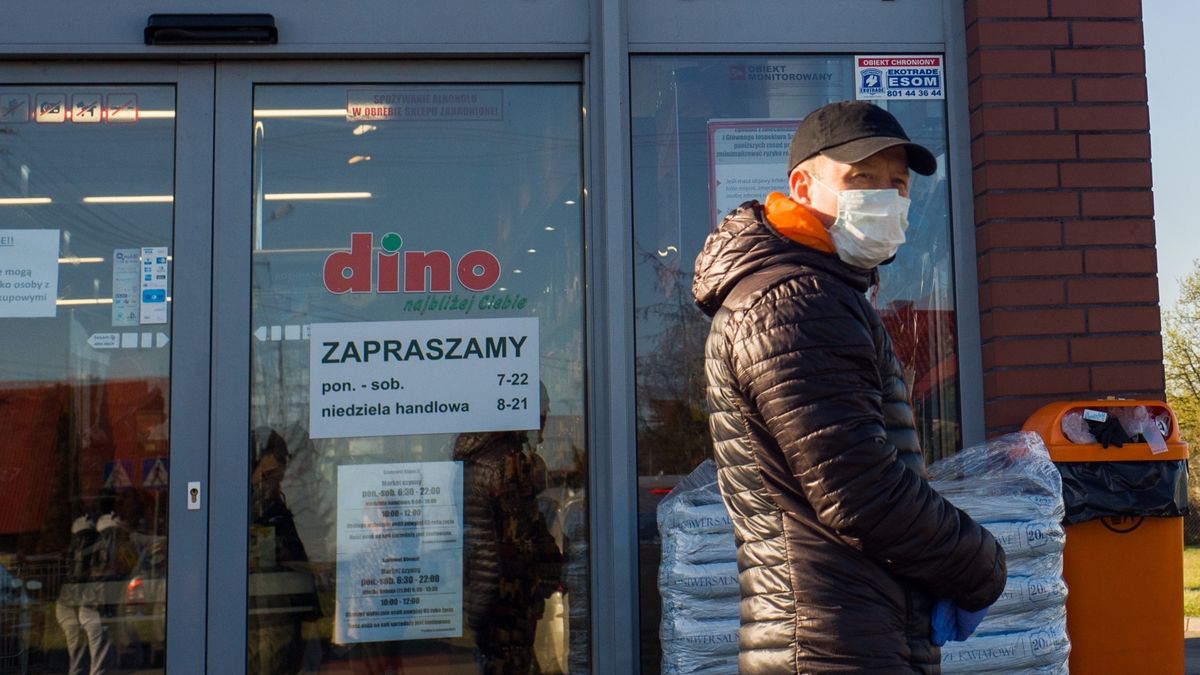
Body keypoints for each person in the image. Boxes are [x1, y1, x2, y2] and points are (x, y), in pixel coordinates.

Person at [691, 100, 1007, 673]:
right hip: (833, 644)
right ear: (803, 185)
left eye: (897, 183)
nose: (885, 197)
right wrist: (982, 568)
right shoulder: (798, 303)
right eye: (862, 179)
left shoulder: (813, 292)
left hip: (841, 633)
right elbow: (860, 492)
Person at [453, 384, 563, 675]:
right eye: (543, 408)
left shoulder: (476, 458)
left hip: (488, 597)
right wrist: (555, 565)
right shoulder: (509, 463)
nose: (547, 416)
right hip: (506, 603)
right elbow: (517, 542)